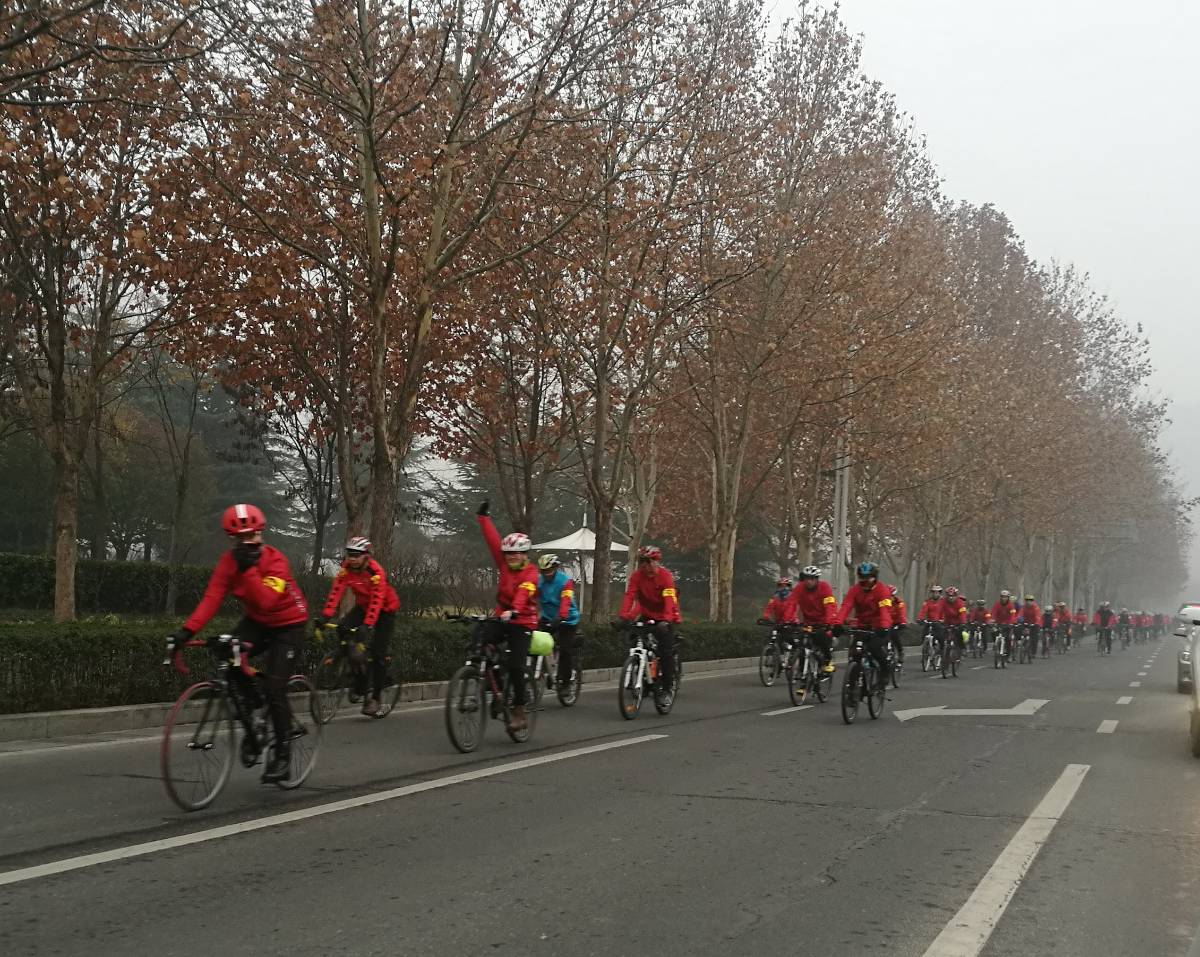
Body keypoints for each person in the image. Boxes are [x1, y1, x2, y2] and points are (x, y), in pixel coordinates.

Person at [171, 504, 308, 783]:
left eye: (252, 536)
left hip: (288, 624)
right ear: (232, 540)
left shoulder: (275, 561)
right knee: (228, 653)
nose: (247, 543)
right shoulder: (228, 562)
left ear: (260, 534)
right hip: (257, 621)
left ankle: (282, 755)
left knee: (275, 688)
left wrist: (248, 571)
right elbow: (211, 598)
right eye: (240, 539)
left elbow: (266, 601)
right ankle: (254, 716)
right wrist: (185, 632)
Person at [318, 536, 400, 716]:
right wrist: (325, 615)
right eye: (350, 555)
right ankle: (355, 668)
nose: (352, 558)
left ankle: (376, 698)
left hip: (385, 610)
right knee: (342, 628)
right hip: (364, 606)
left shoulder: (375, 572)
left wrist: (367, 626)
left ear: (366, 556)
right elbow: (336, 591)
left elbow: (377, 600)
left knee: (378, 654)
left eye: (357, 555)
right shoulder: (346, 569)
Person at [476, 501, 539, 732]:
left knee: (516, 665)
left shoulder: (531, 573)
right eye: (508, 554)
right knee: (482, 645)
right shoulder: (503, 564)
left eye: (516, 554)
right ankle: (497, 691)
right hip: (502, 616)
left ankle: (520, 712)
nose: (511, 557)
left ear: (525, 555)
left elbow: (525, 590)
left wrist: (515, 609)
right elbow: (493, 541)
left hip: (523, 621)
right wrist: (483, 517)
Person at [619, 544, 682, 706]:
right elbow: (630, 596)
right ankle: (642, 675)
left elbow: (669, 600)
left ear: (657, 561)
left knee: (665, 652)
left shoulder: (666, 577)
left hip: (666, 617)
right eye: (642, 562)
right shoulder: (637, 576)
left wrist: (666, 620)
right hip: (647, 615)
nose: (645, 566)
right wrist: (624, 616)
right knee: (635, 641)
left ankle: (667, 689)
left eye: (649, 562)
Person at [833, 561, 894, 686]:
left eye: (868, 579)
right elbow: (846, 606)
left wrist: (883, 626)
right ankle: (853, 685)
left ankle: (885, 670)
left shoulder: (882, 590)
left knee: (874, 647)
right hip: (862, 625)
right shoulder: (855, 590)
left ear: (875, 578)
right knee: (854, 652)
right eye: (862, 579)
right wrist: (837, 623)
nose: (865, 583)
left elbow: (885, 611)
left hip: (879, 627)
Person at [536, 554, 582, 691]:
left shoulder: (564, 581)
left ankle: (566, 682)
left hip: (567, 620)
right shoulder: (539, 582)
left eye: (549, 571)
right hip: (547, 617)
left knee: (565, 649)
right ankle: (544, 671)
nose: (546, 574)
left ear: (556, 568)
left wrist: (561, 616)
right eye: (543, 572)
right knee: (535, 644)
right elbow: (531, 599)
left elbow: (566, 601)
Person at [785, 567, 838, 672]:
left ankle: (828, 660)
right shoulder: (800, 588)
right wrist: (787, 620)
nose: (809, 581)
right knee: (801, 645)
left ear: (817, 579)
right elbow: (791, 604)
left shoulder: (824, 587)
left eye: (812, 579)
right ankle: (802, 672)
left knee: (821, 639)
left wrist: (828, 623)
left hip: (822, 622)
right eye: (807, 578)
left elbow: (830, 606)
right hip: (808, 622)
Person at [940, 586, 967, 670]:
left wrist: (962, 623)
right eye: (949, 596)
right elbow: (939, 611)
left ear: (956, 596)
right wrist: (938, 620)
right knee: (941, 636)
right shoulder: (943, 602)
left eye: (953, 596)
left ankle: (962, 650)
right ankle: (942, 654)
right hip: (946, 623)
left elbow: (963, 614)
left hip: (957, 623)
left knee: (960, 636)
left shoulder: (960, 603)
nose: (951, 598)